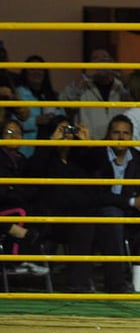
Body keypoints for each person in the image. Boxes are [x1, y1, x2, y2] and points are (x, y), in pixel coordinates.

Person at [87, 114, 140, 293]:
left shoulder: (138, 157)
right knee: (113, 216)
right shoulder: (97, 155)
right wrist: (131, 201)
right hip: (105, 208)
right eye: (116, 133)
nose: (121, 137)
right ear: (108, 134)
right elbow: (97, 194)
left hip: (130, 209)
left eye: (126, 133)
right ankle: (117, 280)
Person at [28, 117, 100, 292]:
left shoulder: (80, 158)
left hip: (80, 216)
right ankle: (78, 283)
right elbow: (32, 171)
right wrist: (50, 143)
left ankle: (80, 284)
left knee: (90, 221)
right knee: (83, 222)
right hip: (51, 218)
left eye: (69, 130)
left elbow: (101, 169)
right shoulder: (45, 157)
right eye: (61, 130)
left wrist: (88, 144)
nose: (66, 134)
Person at [58, 48, 130, 141]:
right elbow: (63, 103)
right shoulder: (82, 86)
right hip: (89, 145)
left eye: (105, 59)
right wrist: (84, 77)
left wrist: (122, 77)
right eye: (96, 59)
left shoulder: (120, 86)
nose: (100, 62)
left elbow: (136, 101)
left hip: (117, 144)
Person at [0, 118, 44, 271]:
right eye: (9, 133)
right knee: (21, 212)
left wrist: (15, 189)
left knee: (37, 209)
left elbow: (29, 188)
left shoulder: (22, 160)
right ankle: (15, 261)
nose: (14, 136)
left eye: (18, 133)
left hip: (15, 204)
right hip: (5, 206)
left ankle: (29, 257)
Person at [15, 54, 65, 157]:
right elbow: (12, 123)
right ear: (25, 72)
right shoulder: (18, 95)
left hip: (51, 151)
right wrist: (35, 121)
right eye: (32, 69)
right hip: (26, 151)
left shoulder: (52, 95)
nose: (37, 72)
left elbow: (63, 120)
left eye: (40, 69)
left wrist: (55, 121)